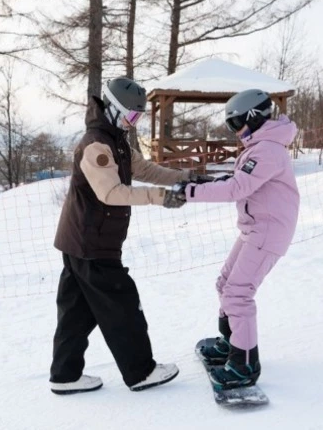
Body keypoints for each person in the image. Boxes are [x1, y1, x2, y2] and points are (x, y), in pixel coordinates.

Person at [49, 76, 209, 395]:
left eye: (137, 118)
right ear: (112, 108)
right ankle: (141, 371)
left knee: (77, 313)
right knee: (122, 306)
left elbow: (145, 170)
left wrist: (184, 177)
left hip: (80, 241)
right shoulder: (96, 144)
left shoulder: (117, 139)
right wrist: (161, 198)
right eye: (130, 116)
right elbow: (111, 192)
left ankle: (65, 376)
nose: (132, 122)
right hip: (92, 244)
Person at [177, 89, 300, 391]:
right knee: (225, 283)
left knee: (238, 294)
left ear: (254, 118)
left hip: (268, 231)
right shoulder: (261, 145)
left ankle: (244, 364)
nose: (235, 132)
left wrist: (189, 192)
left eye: (236, 124)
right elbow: (237, 182)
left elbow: (237, 189)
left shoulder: (268, 150)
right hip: (255, 227)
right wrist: (203, 182)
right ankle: (229, 343)